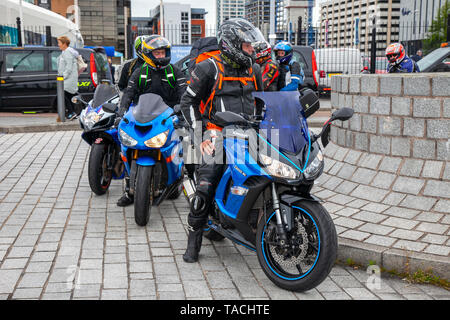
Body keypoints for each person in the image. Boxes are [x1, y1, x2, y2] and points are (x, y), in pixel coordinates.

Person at [179, 18, 264, 263]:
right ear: (232, 45)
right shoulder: (209, 67)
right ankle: (193, 240)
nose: (252, 50)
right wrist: (199, 136)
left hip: (248, 133)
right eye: (248, 46)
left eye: (252, 46)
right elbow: (188, 102)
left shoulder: (254, 70)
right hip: (216, 133)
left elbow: (263, 102)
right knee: (206, 185)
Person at [116, 35, 187, 207]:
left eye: (163, 53)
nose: (161, 56)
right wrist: (121, 113)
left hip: (168, 116)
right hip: (142, 115)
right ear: (148, 54)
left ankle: (178, 179)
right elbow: (128, 94)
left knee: (182, 145)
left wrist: (183, 113)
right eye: (157, 53)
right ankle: (129, 189)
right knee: (128, 147)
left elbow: (185, 95)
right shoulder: (140, 72)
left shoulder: (174, 72)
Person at [57, 36, 79, 120]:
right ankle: (72, 113)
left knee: (62, 95)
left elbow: (68, 67)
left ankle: (71, 112)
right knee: (69, 96)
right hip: (69, 78)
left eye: (59, 43)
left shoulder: (67, 52)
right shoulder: (66, 52)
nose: (58, 45)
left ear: (64, 44)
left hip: (68, 79)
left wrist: (62, 77)